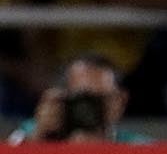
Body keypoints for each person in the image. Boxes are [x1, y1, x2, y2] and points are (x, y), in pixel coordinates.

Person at [6, 53, 147, 144]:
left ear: (119, 100)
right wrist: (38, 136)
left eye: (100, 98)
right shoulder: (33, 132)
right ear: (64, 98)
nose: (90, 107)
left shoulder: (136, 147)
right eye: (82, 98)